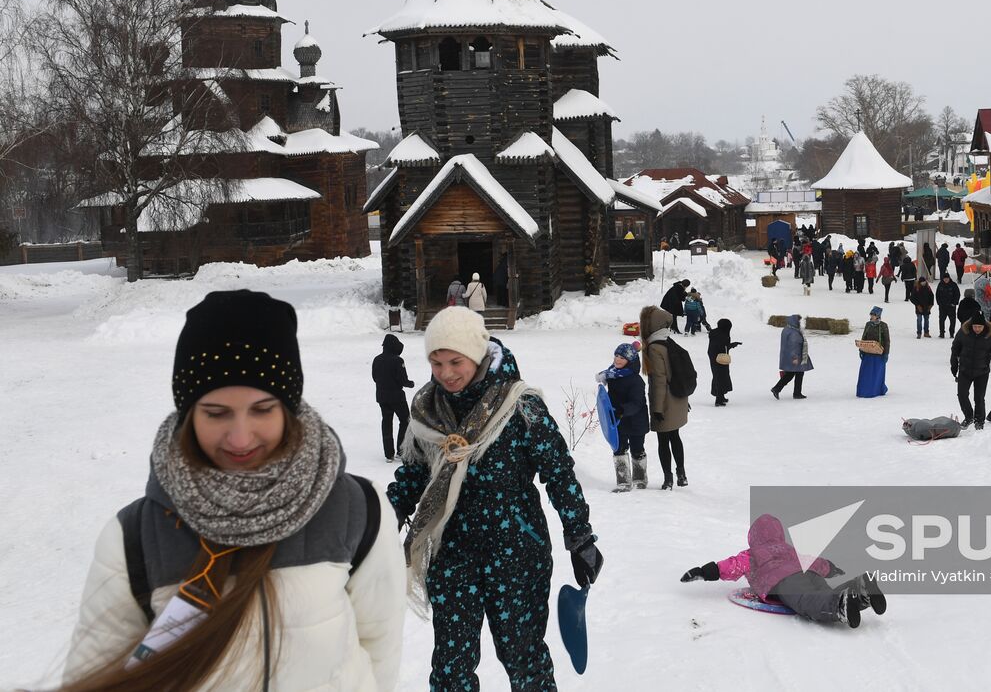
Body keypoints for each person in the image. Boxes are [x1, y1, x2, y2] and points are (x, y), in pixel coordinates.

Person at [64, 290, 406, 692]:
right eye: (216, 413)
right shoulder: (134, 539)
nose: (240, 438)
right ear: (188, 413)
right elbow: (94, 677)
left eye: (262, 409)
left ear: (289, 408)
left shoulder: (357, 512)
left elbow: (379, 652)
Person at [388, 306, 599, 689]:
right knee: (451, 670)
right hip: (452, 552)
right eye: (436, 363)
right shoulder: (428, 412)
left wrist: (580, 536)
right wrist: (385, 517)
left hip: (516, 552)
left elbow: (558, 472)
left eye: (455, 361)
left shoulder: (520, 406)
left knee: (524, 659)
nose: (446, 374)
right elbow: (415, 474)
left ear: (478, 354)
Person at [678, 514, 884, 628]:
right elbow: (812, 562)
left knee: (808, 601)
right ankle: (860, 588)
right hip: (809, 573)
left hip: (784, 581)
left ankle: (841, 605)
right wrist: (830, 568)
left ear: (754, 537)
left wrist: (703, 572)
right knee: (823, 592)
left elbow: (729, 566)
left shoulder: (753, 553)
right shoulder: (788, 549)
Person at [640, 305, 691, 488]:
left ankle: (668, 479)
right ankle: (681, 473)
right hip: (679, 397)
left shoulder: (654, 347)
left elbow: (660, 380)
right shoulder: (668, 340)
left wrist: (657, 408)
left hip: (665, 401)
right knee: (675, 437)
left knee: (663, 441)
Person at [597, 342, 650, 490]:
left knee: (637, 449)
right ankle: (623, 481)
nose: (617, 359)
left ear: (630, 360)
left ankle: (640, 479)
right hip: (618, 421)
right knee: (618, 449)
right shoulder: (613, 375)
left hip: (635, 421)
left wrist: (621, 410)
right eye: (616, 355)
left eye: (622, 357)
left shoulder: (635, 380)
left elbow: (637, 403)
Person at [951, 310, 991, 428]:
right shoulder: (963, 332)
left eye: (979, 327)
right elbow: (955, 349)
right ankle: (969, 416)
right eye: (975, 326)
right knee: (962, 395)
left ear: (984, 326)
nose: (977, 329)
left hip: (982, 371)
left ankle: (979, 421)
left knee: (979, 398)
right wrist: (954, 365)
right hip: (964, 370)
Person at [372, 333, 415, 462]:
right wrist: (410, 384)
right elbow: (402, 380)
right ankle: (401, 450)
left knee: (386, 422)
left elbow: (374, 377)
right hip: (397, 397)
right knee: (405, 421)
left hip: (381, 396)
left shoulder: (377, 359)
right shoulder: (398, 360)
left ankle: (388, 453)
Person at [773, 314, 812, 400]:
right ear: (794, 321)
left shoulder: (787, 329)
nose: (799, 322)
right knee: (794, 374)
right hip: (795, 357)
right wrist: (794, 357)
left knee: (793, 374)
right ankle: (780, 389)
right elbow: (793, 345)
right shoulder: (793, 332)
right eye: (798, 321)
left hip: (787, 356)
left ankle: (794, 392)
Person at [855, 307, 892, 398]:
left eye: (873, 315)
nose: (871, 316)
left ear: (878, 316)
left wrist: (886, 353)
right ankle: (863, 391)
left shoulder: (883, 325)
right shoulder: (868, 324)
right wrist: (861, 349)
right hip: (868, 353)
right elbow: (864, 337)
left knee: (876, 374)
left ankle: (876, 390)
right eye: (871, 314)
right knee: (865, 374)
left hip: (878, 355)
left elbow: (887, 341)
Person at [708, 318, 741, 406]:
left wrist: (732, 344)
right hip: (720, 358)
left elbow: (722, 346)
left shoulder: (715, 332)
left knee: (719, 376)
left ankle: (721, 396)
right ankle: (718, 399)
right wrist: (730, 345)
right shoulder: (722, 335)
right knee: (721, 377)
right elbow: (723, 346)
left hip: (714, 357)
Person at [935, 272, 960, 338]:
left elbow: (957, 294)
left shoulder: (953, 285)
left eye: (947, 278)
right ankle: (941, 333)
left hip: (951, 307)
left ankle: (951, 333)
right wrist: (939, 303)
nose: (946, 280)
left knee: (952, 321)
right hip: (942, 306)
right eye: (944, 279)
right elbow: (937, 295)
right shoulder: (940, 284)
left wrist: (954, 303)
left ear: (949, 278)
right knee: (941, 320)